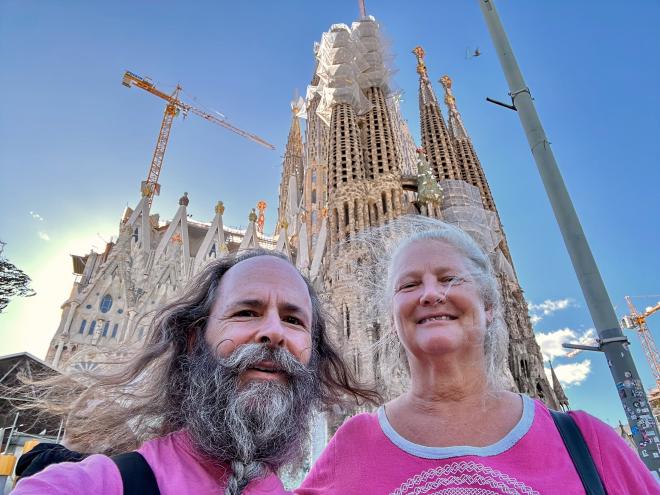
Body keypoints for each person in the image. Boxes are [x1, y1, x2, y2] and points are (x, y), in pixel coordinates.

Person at [297, 216, 659, 494]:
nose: (431, 294)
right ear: (391, 318)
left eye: (450, 278)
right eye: (409, 284)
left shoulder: (586, 442)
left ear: (489, 305)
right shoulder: (355, 444)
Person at [13, 249, 376, 495]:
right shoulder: (94, 485)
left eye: (293, 320)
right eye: (246, 312)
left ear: (314, 355)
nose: (273, 332)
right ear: (193, 339)